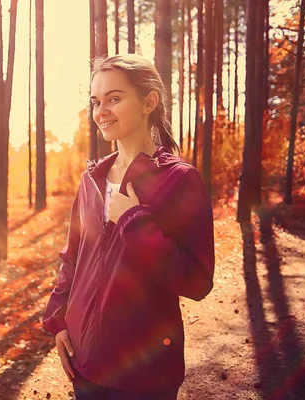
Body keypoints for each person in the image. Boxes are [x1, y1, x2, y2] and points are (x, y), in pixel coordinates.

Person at [42, 54, 215, 400]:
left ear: (149, 102)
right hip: (86, 362)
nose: (101, 110)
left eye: (114, 98)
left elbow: (196, 280)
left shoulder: (180, 180)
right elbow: (73, 258)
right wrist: (59, 320)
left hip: (145, 374)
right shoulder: (92, 179)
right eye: (96, 101)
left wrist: (135, 223)